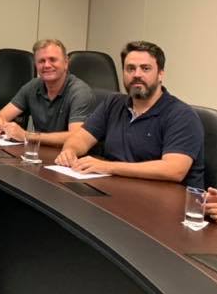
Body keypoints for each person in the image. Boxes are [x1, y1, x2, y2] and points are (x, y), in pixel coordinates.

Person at [55, 41, 204, 187]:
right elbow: (81, 138)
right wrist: (70, 151)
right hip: (118, 189)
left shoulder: (181, 115)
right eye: (130, 69)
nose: (137, 74)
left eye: (145, 69)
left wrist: (108, 167)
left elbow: (174, 170)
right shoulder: (113, 103)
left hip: (165, 199)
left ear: (160, 74)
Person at [0, 38, 93, 146]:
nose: (47, 65)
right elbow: (2, 115)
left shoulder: (80, 92)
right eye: (41, 61)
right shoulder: (33, 86)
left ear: (66, 63)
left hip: (68, 154)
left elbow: (77, 137)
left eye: (53, 59)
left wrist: (27, 136)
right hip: (39, 151)